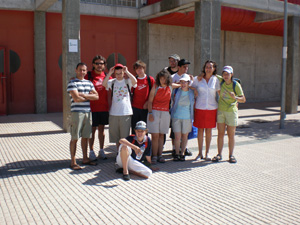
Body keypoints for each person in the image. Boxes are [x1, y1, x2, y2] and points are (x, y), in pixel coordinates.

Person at [67, 62, 99, 170]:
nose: (82, 72)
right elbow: (76, 99)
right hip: (77, 113)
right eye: (80, 70)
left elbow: (97, 97)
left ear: (86, 71)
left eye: (84, 70)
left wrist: (83, 95)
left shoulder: (89, 83)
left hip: (87, 112)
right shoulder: (72, 83)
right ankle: (73, 161)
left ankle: (85, 158)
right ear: (76, 70)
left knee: (86, 137)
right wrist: (89, 96)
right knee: (75, 137)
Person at [212, 66, 246, 163]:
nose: (226, 76)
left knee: (231, 135)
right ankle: (219, 154)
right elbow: (211, 73)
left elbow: (243, 99)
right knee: (220, 134)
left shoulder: (236, 85)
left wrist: (235, 97)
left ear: (232, 74)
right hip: (221, 111)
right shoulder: (221, 80)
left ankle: (231, 155)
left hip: (231, 111)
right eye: (224, 74)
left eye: (228, 74)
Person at [147, 68, 180, 163]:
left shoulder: (170, 86)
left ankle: (160, 155)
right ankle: (154, 156)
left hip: (165, 113)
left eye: (164, 78)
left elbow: (180, 85)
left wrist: (189, 82)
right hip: (154, 112)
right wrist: (150, 113)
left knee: (162, 135)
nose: (163, 80)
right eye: (161, 78)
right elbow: (150, 101)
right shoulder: (155, 86)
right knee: (155, 135)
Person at [102, 63, 137, 150]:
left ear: (123, 73)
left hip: (125, 112)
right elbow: (104, 84)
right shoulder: (112, 82)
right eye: (116, 73)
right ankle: (118, 153)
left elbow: (135, 81)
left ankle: (124, 154)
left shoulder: (127, 81)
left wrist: (127, 71)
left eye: (120, 73)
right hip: (114, 113)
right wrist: (109, 73)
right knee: (116, 137)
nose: (118, 75)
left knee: (124, 137)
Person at [193, 60, 220, 161]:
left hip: (212, 108)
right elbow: (190, 85)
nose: (208, 69)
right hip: (200, 107)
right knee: (200, 130)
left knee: (209, 131)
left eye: (210, 67)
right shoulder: (198, 79)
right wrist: (194, 89)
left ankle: (207, 152)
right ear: (204, 68)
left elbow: (220, 93)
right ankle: (200, 153)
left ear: (214, 69)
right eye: (207, 67)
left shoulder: (216, 80)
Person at [85, 55, 111, 161]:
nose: (99, 65)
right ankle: (91, 151)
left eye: (101, 63)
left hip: (104, 108)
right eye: (97, 63)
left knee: (102, 130)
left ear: (104, 65)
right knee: (92, 131)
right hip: (92, 108)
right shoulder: (89, 76)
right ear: (93, 64)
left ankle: (101, 150)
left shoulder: (107, 75)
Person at [171, 58, 194, 157]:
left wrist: (191, 85)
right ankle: (176, 152)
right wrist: (179, 85)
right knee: (177, 136)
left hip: (187, 117)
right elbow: (169, 85)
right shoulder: (177, 89)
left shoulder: (192, 92)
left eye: (186, 82)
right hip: (176, 115)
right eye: (182, 82)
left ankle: (182, 152)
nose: (184, 84)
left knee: (185, 136)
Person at [131, 60, 155, 134]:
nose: (139, 70)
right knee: (134, 128)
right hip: (135, 107)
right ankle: (134, 143)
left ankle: (145, 143)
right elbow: (131, 92)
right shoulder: (134, 80)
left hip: (145, 108)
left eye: (141, 68)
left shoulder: (150, 79)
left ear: (144, 68)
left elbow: (154, 93)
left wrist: (148, 103)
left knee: (144, 128)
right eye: (137, 69)